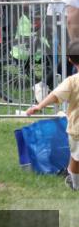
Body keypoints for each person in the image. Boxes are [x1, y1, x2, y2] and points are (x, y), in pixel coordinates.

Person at [27, 41, 79, 191]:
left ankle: (75, 184)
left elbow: (55, 95)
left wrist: (39, 106)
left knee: (76, 158)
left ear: (70, 60)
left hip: (77, 129)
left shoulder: (72, 81)